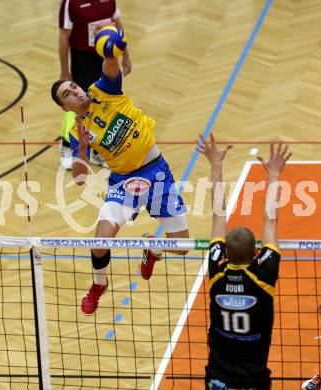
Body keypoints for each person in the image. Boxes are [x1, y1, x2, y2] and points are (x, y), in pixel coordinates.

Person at [51, 55, 189, 315]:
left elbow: (111, 68)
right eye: (67, 94)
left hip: (157, 172)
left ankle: (153, 246)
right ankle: (98, 285)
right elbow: (79, 178)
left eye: (74, 87)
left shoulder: (104, 91)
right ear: (65, 107)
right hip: (124, 182)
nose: (75, 92)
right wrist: (81, 146)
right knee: (100, 241)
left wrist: (113, 48)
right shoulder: (76, 131)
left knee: (182, 248)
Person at [196, 134, 292, 390]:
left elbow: (218, 214)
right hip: (254, 381)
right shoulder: (264, 275)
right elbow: (270, 220)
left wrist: (215, 165)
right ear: (256, 253)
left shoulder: (217, 270)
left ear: (225, 251)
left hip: (218, 380)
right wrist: (274, 176)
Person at [58, 0, 132, 169]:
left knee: (104, 101)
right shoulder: (71, 3)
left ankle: (99, 151)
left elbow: (118, 27)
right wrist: (64, 71)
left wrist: (125, 55)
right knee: (78, 102)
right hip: (82, 58)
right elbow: (64, 37)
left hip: (105, 58)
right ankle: (67, 146)